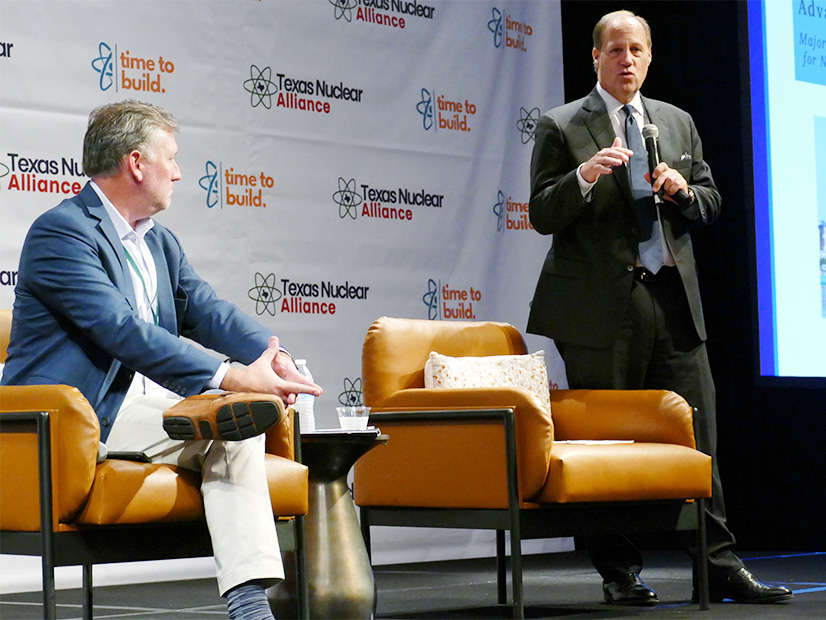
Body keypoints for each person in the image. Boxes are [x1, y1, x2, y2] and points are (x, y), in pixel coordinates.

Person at [1, 100, 322, 620]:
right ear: (135, 163)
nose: (177, 172)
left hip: (140, 412)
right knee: (228, 405)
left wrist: (274, 357)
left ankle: (249, 607)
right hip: (71, 419)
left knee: (232, 426)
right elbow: (120, 329)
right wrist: (233, 374)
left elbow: (210, 311)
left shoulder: (158, 242)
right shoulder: (62, 233)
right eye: (170, 158)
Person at [526, 10, 792, 606]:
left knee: (700, 435)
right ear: (595, 57)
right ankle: (619, 572)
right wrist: (585, 176)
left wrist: (682, 191)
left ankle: (717, 566)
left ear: (649, 57)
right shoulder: (562, 124)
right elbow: (541, 211)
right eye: (616, 49)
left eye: (637, 50)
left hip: (673, 301)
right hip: (600, 308)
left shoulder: (676, 122)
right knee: (610, 441)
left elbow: (711, 204)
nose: (627, 60)